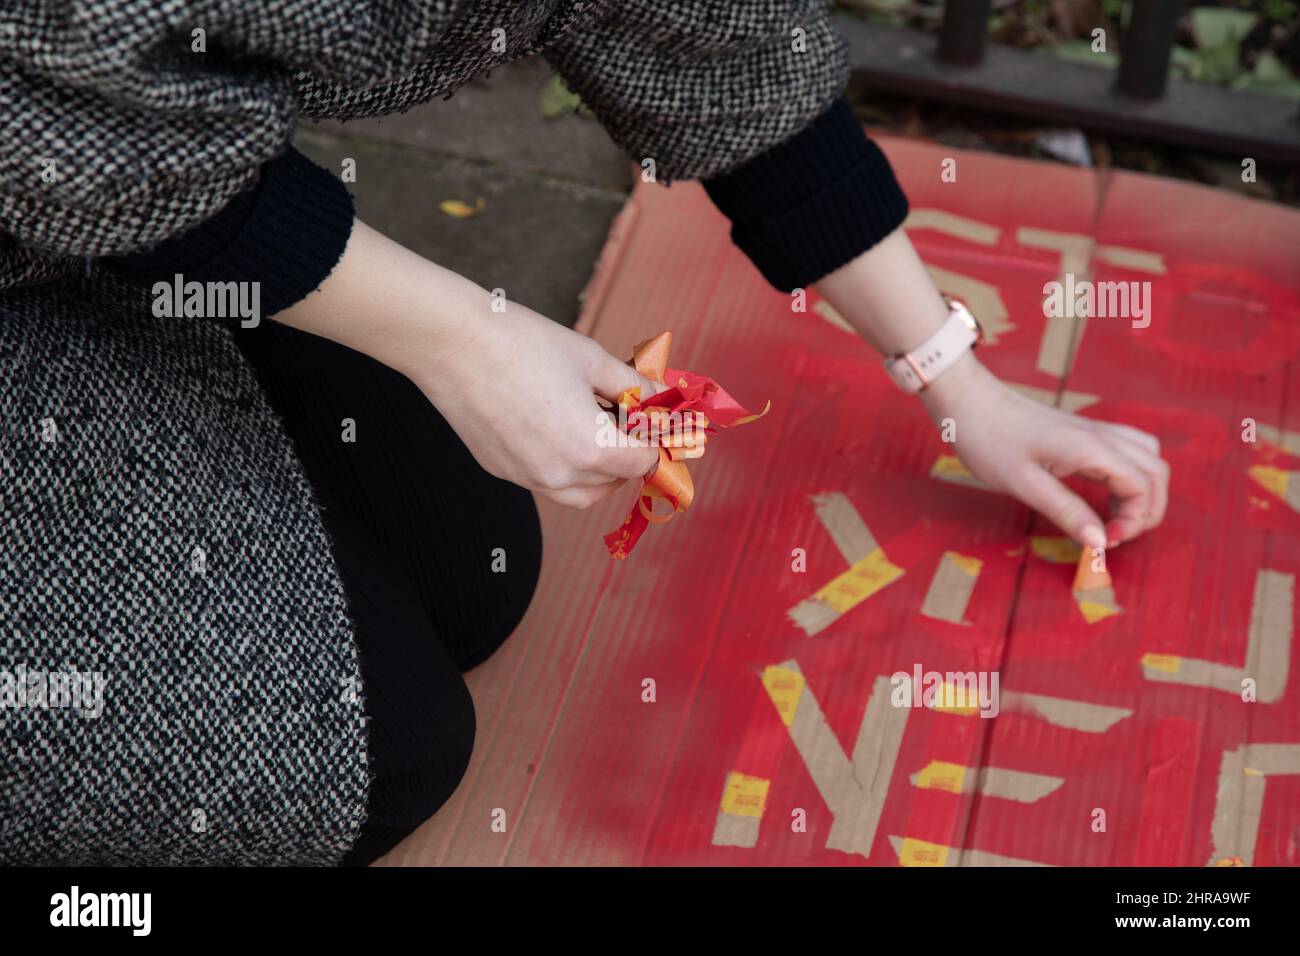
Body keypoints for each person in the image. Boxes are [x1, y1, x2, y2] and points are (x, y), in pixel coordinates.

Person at [0, 1, 1167, 866]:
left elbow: (708, 38)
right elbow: (50, 100)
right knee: (366, 758)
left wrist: (960, 384)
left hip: (131, 196)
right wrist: (464, 341)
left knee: (470, 576)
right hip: (44, 169)